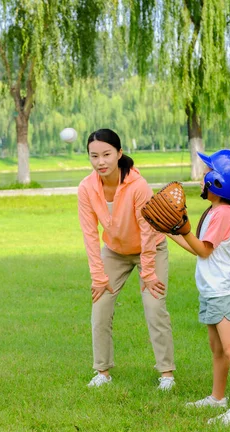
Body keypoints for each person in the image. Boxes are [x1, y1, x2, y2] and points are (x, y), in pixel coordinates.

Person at [78, 128, 176, 391]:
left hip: (150, 249)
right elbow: (89, 234)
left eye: (107, 154)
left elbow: (147, 230)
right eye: (94, 156)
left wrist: (148, 273)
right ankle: (102, 371)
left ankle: (166, 374)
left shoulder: (138, 186)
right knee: (100, 308)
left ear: (119, 154)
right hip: (114, 252)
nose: (101, 162)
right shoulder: (86, 188)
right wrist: (98, 277)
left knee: (154, 307)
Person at [168, 149, 230, 425]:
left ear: (219, 181)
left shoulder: (223, 213)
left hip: (223, 291)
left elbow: (203, 250)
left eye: (207, 172)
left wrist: (183, 229)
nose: (203, 176)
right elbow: (199, 249)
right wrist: (172, 232)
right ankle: (218, 397)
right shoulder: (215, 210)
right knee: (216, 348)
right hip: (211, 290)